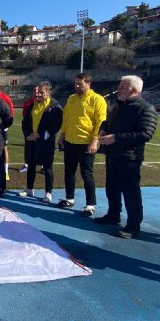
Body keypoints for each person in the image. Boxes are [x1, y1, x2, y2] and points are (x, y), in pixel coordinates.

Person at [92, 75, 158, 239]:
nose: (118, 89)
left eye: (123, 87)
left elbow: (145, 134)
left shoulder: (145, 108)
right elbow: (107, 121)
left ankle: (133, 226)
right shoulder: (119, 106)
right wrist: (103, 130)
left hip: (129, 157)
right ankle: (113, 215)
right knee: (112, 188)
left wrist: (116, 138)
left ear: (134, 90)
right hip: (113, 154)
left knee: (130, 192)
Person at [57, 72, 108, 217]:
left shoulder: (97, 100)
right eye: (75, 84)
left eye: (80, 84)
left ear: (88, 84)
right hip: (70, 141)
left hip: (86, 143)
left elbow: (100, 122)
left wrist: (95, 140)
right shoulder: (71, 99)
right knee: (69, 172)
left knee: (87, 174)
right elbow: (66, 119)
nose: (77, 86)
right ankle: (69, 198)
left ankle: (90, 205)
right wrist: (62, 135)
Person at [20, 81, 63, 202]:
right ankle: (29, 188)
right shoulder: (32, 105)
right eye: (37, 92)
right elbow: (25, 123)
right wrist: (28, 135)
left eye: (41, 92)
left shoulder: (55, 107)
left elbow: (56, 126)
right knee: (31, 165)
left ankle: (48, 192)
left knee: (47, 167)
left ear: (49, 92)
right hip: (31, 142)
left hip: (46, 142)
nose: (38, 95)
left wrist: (40, 135)